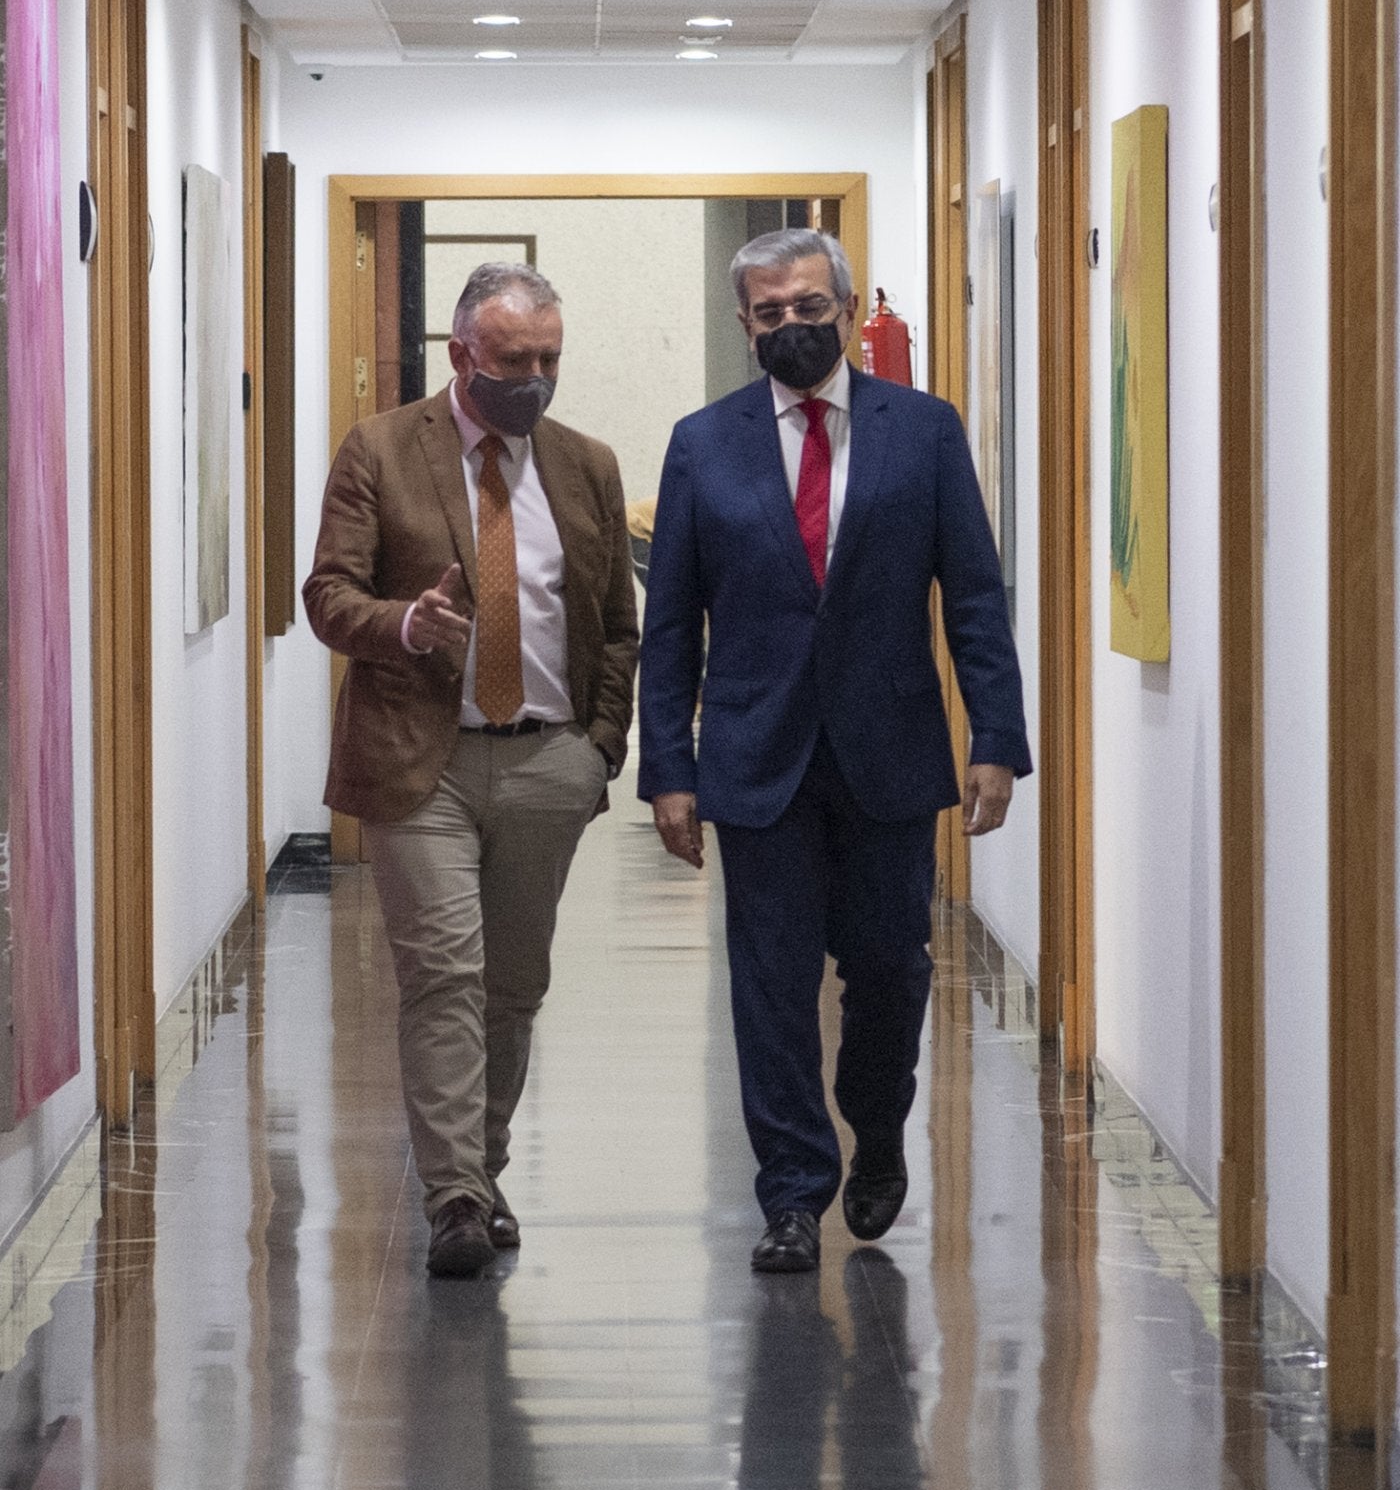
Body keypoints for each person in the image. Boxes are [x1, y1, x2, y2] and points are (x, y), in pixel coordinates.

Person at [638, 229, 1030, 1274]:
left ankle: (878, 1123)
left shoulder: (925, 432)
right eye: (768, 313)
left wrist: (994, 734)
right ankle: (791, 1192)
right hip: (755, 753)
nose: (790, 327)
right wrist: (666, 771)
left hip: (889, 748)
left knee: (889, 969)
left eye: (808, 306)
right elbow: (670, 620)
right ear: (743, 324)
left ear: (846, 308)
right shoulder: (701, 443)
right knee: (767, 984)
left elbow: (974, 596)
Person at [305, 264, 638, 1278]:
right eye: (512, 361)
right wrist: (402, 622)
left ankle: (480, 1169)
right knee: (442, 972)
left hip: (546, 757)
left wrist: (597, 749)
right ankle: (453, 1194)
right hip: (422, 761)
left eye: (548, 360)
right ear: (462, 355)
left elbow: (615, 626)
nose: (532, 380)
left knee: (513, 984)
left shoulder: (584, 465)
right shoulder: (380, 449)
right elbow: (326, 593)